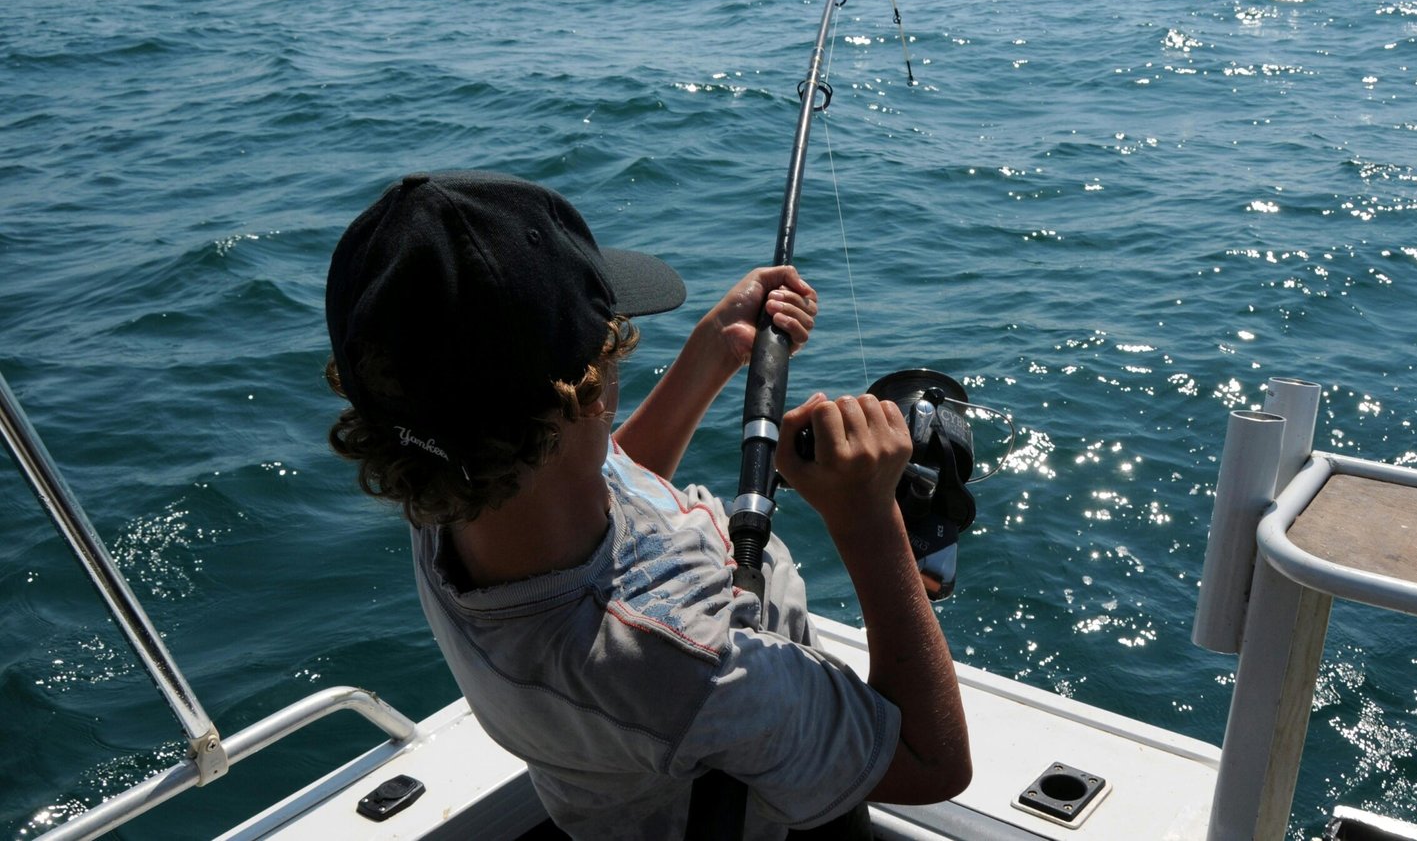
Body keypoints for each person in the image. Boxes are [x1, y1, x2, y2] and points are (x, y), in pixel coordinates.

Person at [323, 170, 969, 840]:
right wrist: (867, 518)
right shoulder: (683, 665)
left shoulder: (447, 489)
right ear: (587, 394)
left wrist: (714, 351)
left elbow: (592, 487)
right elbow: (933, 761)